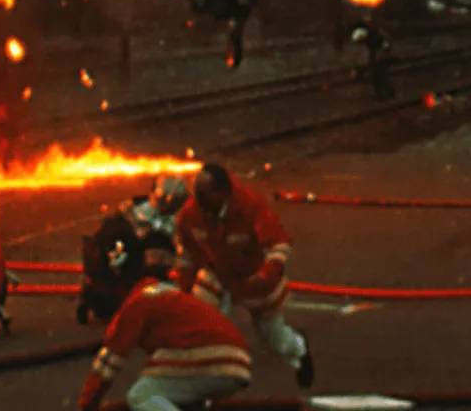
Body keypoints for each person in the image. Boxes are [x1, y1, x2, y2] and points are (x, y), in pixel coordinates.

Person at [173, 163, 315, 389]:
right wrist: (185, 291)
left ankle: (299, 349)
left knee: (275, 341)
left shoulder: (250, 207)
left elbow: (279, 243)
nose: (199, 202)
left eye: (205, 196)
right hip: (217, 275)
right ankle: (207, 379)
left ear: (223, 192)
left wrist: (267, 274)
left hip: (254, 278)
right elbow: (187, 254)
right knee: (203, 325)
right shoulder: (191, 214)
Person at [76, 253, 252, 411]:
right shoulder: (167, 294)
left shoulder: (135, 304)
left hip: (210, 356)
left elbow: (107, 366)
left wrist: (87, 406)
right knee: (170, 390)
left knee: (142, 395)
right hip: (237, 359)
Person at [78, 175, 187, 324]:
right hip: (121, 294)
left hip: (99, 289)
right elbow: (156, 273)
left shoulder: (127, 209)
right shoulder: (159, 236)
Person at [350, 22, 396, 101]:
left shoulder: (375, 37)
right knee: (377, 77)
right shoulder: (371, 37)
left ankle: (386, 94)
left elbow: (383, 48)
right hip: (381, 56)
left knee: (379, 76)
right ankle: (383, 95)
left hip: (384, 57)